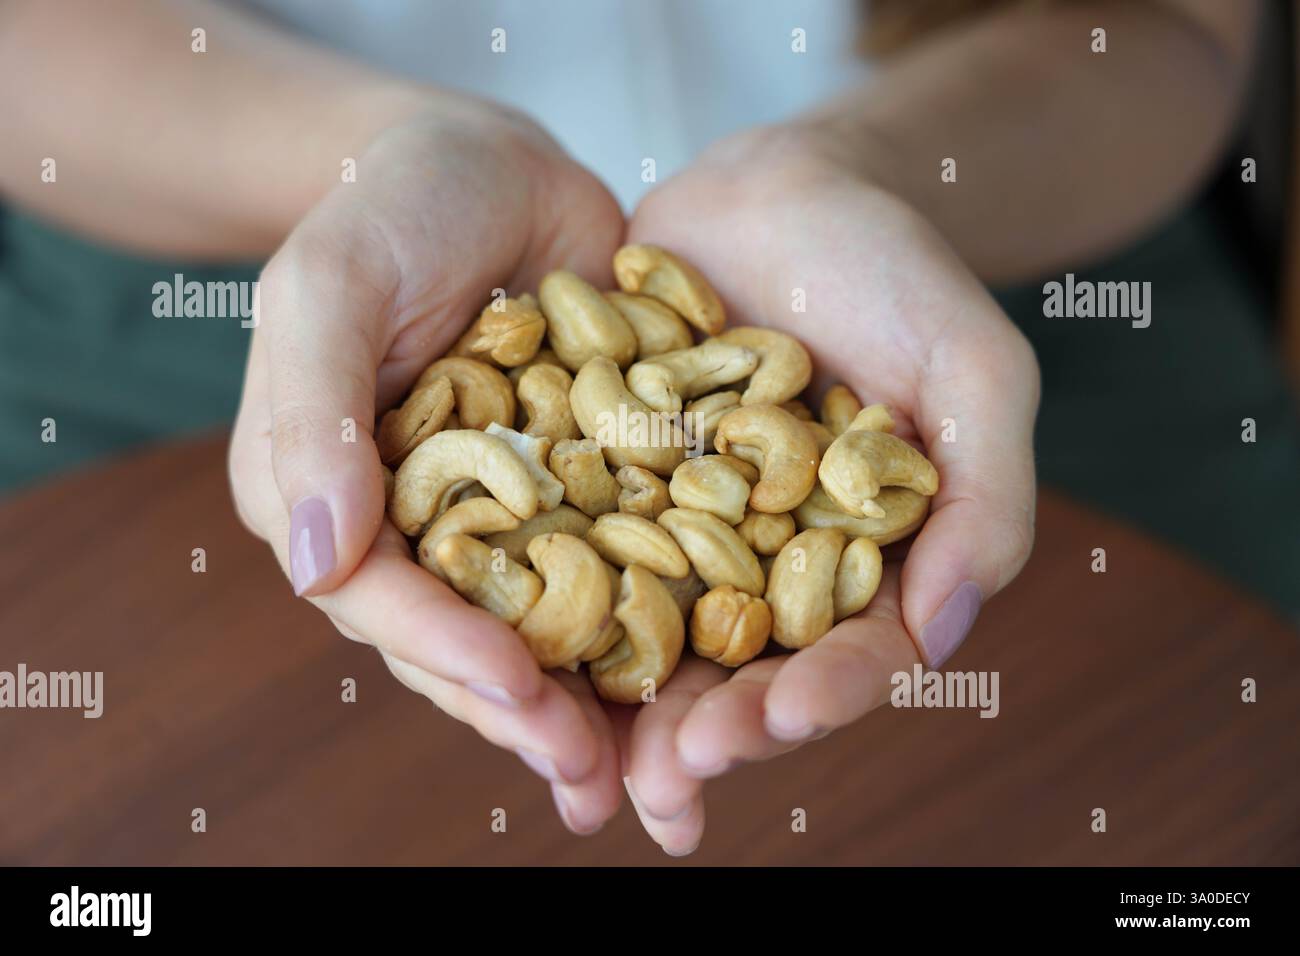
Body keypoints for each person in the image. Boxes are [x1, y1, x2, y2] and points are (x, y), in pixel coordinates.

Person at [3, 1, 1295, 858]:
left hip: (988, 225)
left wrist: (858, 167)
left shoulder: (743, 444)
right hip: (238, 241)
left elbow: (1171, 26)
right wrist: (380, 153)